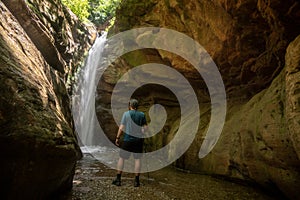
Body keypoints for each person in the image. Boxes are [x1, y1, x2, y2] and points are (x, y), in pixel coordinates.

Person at [112, 99, 148, 187]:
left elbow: (121, 127)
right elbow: (146, 128)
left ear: (130, 106)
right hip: (138, 140)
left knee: (122, 158)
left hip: (127, 140)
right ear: (137, 106)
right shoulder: (142, 115)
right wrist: (142, 131)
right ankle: (136, 181)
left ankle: (118, 179)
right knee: (137, 159)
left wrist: (117, 138)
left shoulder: (126, 114)